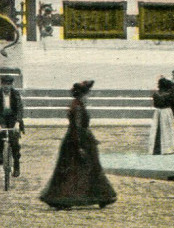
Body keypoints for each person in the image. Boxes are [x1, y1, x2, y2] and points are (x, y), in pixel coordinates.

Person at [40, 80, 117, 209]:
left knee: (76, 170)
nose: (88, 97)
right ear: (83, 95)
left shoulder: (76, 104)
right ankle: (99, 196)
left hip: (75, 140)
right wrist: (80, 145)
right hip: (77, 141)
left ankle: (97, 196)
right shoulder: (78, 107)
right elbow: (78, 127)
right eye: (87, 94)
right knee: (84, 169)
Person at [0, 73, 24, 177]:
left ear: (12, 85)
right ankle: (0, 155)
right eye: (4, 84)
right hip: (1, 118)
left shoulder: (15, 94)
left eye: (9, 84)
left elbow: (19, 108)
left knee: (14, 142)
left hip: (13, 118)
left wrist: (18, 123)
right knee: (0, 135)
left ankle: (16, 166)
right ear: (1, 84)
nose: (6, 86)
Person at [147, 77, 174, 155]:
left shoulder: (155, 94)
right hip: (166, 112)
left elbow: (155, 104)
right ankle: (167, 149)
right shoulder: (169, 95)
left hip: (158, 113)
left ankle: (156, 149)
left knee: (157, 130)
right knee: (167, 131)